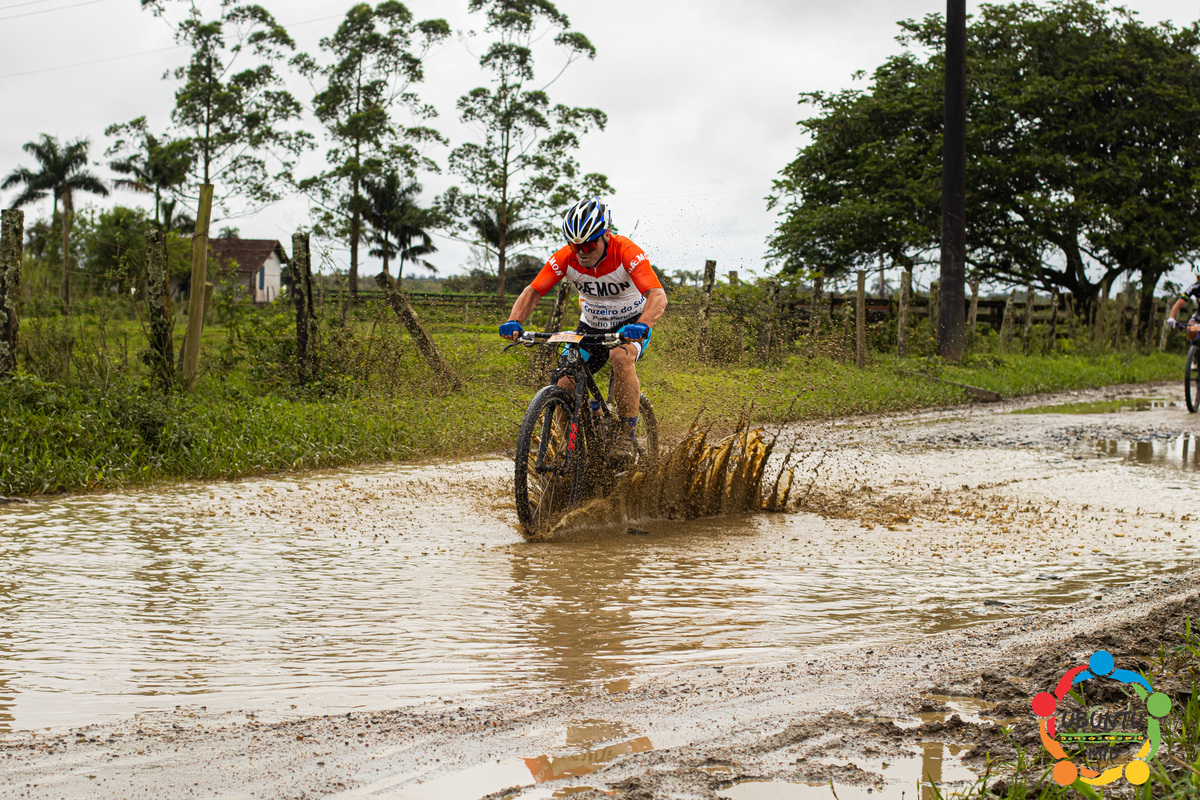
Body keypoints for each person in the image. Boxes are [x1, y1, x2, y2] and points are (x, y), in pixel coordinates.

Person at [500, 197, 668, 461]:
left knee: (620, 357)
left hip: (631, 325)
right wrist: (515, 320)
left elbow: (657, 296)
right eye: (575, 246)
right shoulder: (566, 258)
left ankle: (626, 433)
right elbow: (533, 291)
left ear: (606, 235)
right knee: (564, 380)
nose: (582, 253)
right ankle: (575, 451)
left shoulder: (627, 252)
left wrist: (643, 325)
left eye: (588, 245)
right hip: (591, 326)